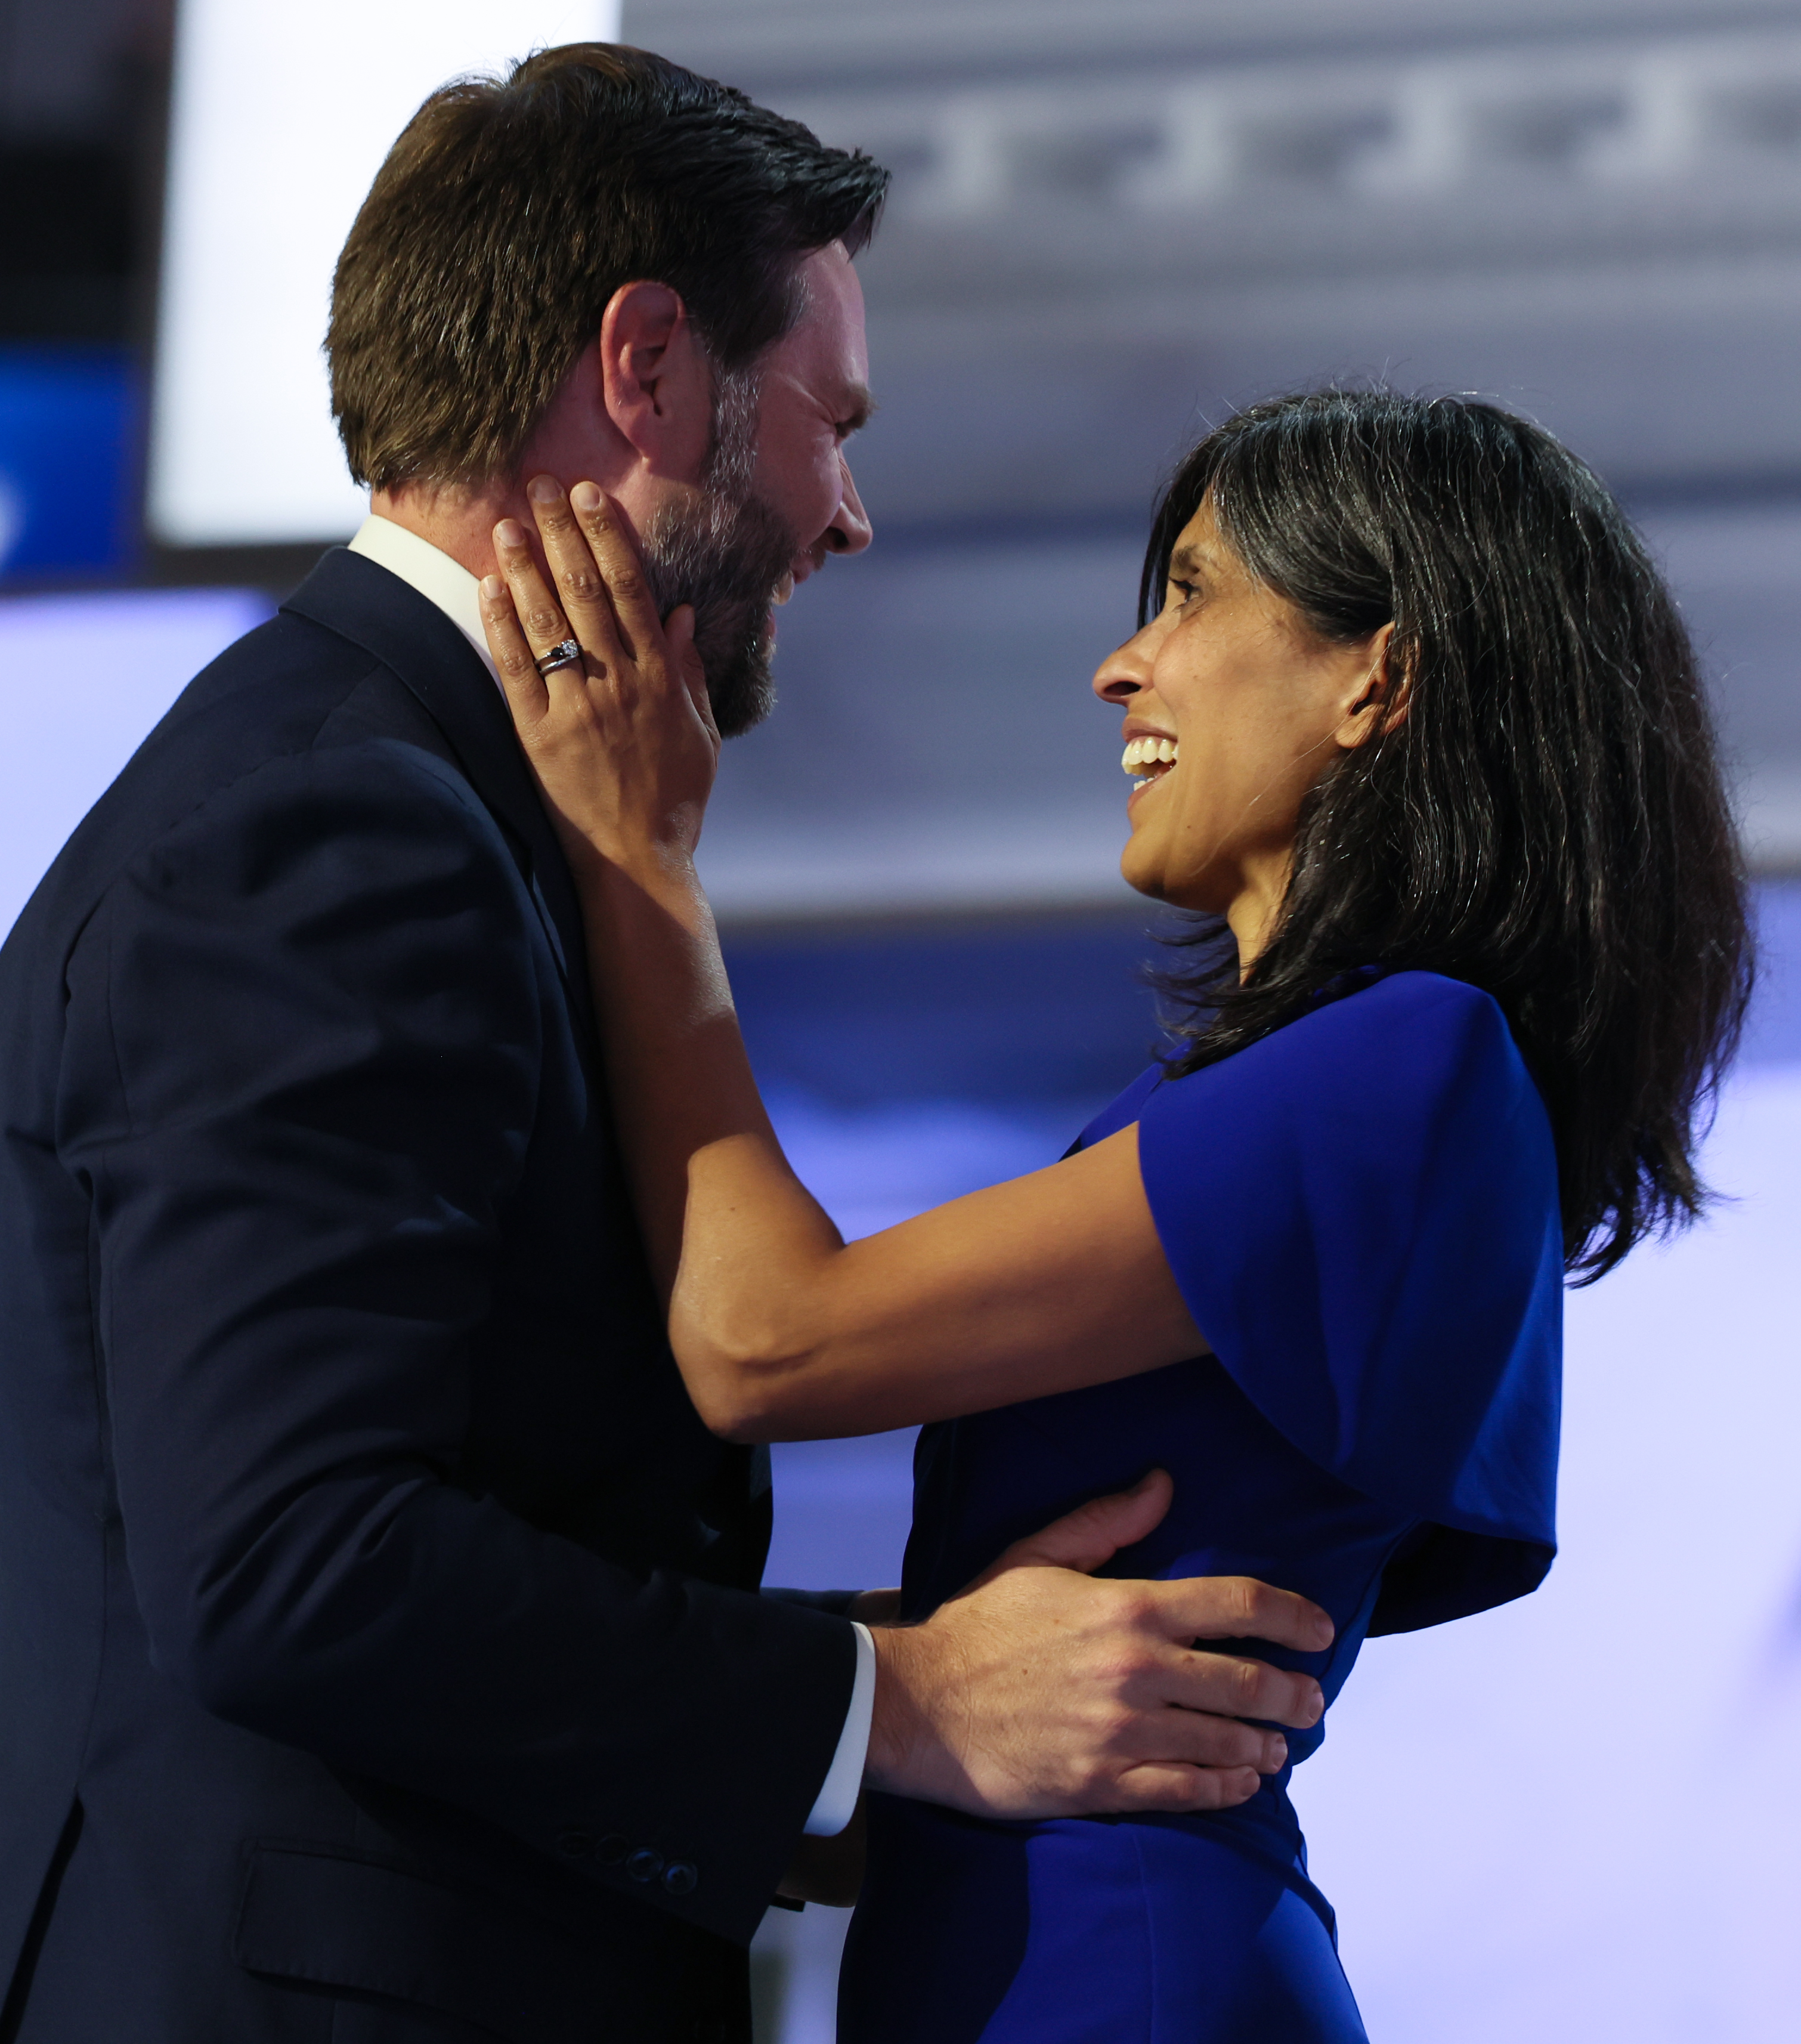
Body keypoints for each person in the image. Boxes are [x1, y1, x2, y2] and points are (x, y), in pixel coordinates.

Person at [0, 47, 1331, 2044]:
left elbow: (462, 1523)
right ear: (645, 368)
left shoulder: (385, 788)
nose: (849, 513)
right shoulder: (341, 824)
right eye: (829, 422)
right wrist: (903, 1707)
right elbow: (293, 1564)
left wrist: (914, 1668)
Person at [474, 386, 1752, 2040]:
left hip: (1115, 1967)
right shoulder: (1300, 1093)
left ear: (1380, 675)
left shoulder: (1405, 1058)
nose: (1120, 665)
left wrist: (639, 861)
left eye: (1194, 592)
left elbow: (763, 1338)